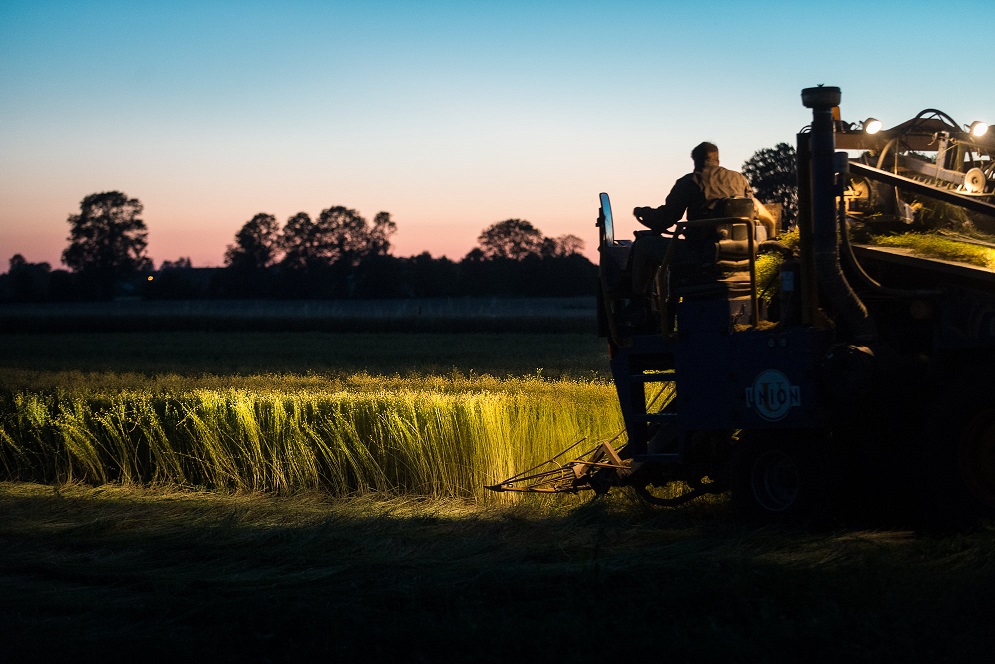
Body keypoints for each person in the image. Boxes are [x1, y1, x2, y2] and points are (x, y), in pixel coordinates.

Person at [628, 141, 775, 301]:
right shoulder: (739, 179)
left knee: (644, 245)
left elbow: (665, 220)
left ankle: (639, 305)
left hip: (700, 253)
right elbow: (758, 210)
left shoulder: (689, 181)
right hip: (739, 250)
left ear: (696, 160)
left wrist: (643, 213)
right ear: (717, 159)